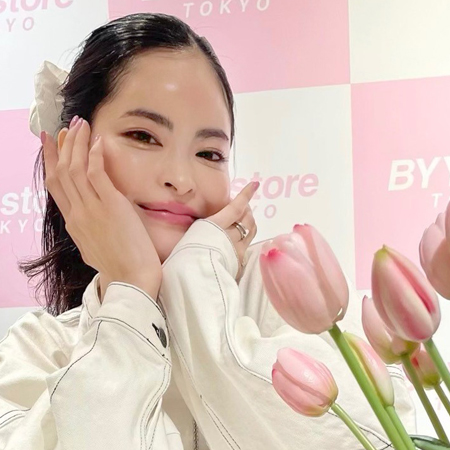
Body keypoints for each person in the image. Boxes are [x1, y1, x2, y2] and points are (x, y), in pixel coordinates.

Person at [0, 12, 415, 450]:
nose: (181, 179)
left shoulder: (290, 293)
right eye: (143, 136)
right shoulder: (39, 350)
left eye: (209, 153)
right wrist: (129, 293)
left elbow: (375, 439)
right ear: (71, 151)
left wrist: (194, 281)